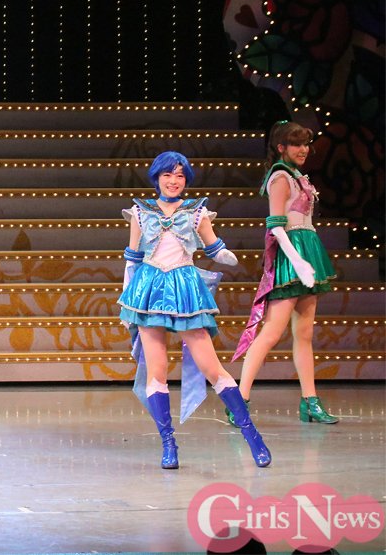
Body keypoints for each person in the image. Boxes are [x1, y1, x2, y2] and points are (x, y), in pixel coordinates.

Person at [118, 151, 271, 468]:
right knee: (157, 370)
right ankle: (168, 445)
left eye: (179, 175)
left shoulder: (197, 212)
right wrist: (127, 299)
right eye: (167, 175)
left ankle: (253, 436)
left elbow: (214, 246)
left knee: (212, 367)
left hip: (185, 290)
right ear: (157, 178)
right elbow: (132, 258)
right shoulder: (140, 212)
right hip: (148, 291)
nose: (173, 181)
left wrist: (226, 256)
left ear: (186, 180)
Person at [232, 121, 338, 424]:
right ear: (282, 147)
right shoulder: (280, 176)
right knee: (271, 332)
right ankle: (239, 400)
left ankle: (310, 401)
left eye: (306, 144)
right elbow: (276, 226)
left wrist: (309, 260)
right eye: (296, 144)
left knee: (304, 333)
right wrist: (298, 263)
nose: (303, 149)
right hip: (291, 257)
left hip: (308, 249)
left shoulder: (297, 176)